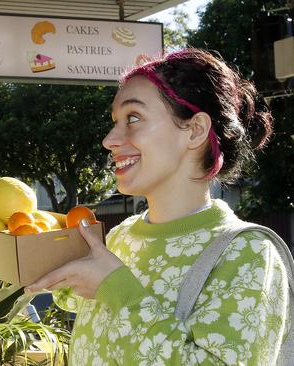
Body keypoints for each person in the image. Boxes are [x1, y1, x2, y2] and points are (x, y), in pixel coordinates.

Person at [25, 48, 288, 365]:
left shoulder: (247, 253)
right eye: (115, 122)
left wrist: (118, 289)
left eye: (133, 118)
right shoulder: (122, 237)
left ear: (194, 131)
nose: (110, 139)